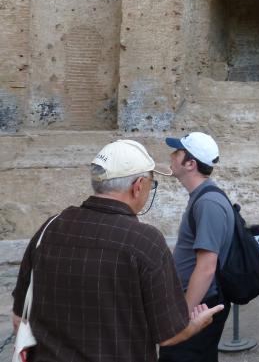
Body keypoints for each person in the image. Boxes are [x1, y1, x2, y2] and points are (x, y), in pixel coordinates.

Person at [11, 139, 224, 362]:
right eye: (151, 184)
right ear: (138, 186)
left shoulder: (50, 227)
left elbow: (19, 318)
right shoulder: (145, 241)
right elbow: (169, 335)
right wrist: (196, 324)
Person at [159, 132, 234, 362]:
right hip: (198, 301)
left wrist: (182, 317)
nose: (171, 156)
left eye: (177, 152)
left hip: (200, 304)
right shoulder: (201, 197)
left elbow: (206, 267)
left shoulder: (208, 203)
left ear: (190, 164)